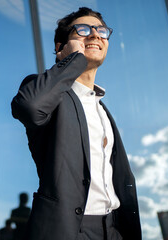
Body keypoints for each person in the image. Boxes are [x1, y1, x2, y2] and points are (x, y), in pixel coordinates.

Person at [11, 7, 141, 240]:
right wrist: (73, 60)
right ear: (61, 48)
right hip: (69, 230)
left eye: (101, 30)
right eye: (83, 30)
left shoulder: (102, 110)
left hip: (113, 230)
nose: (94, 35)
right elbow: (30, 108)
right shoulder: (48, 94)